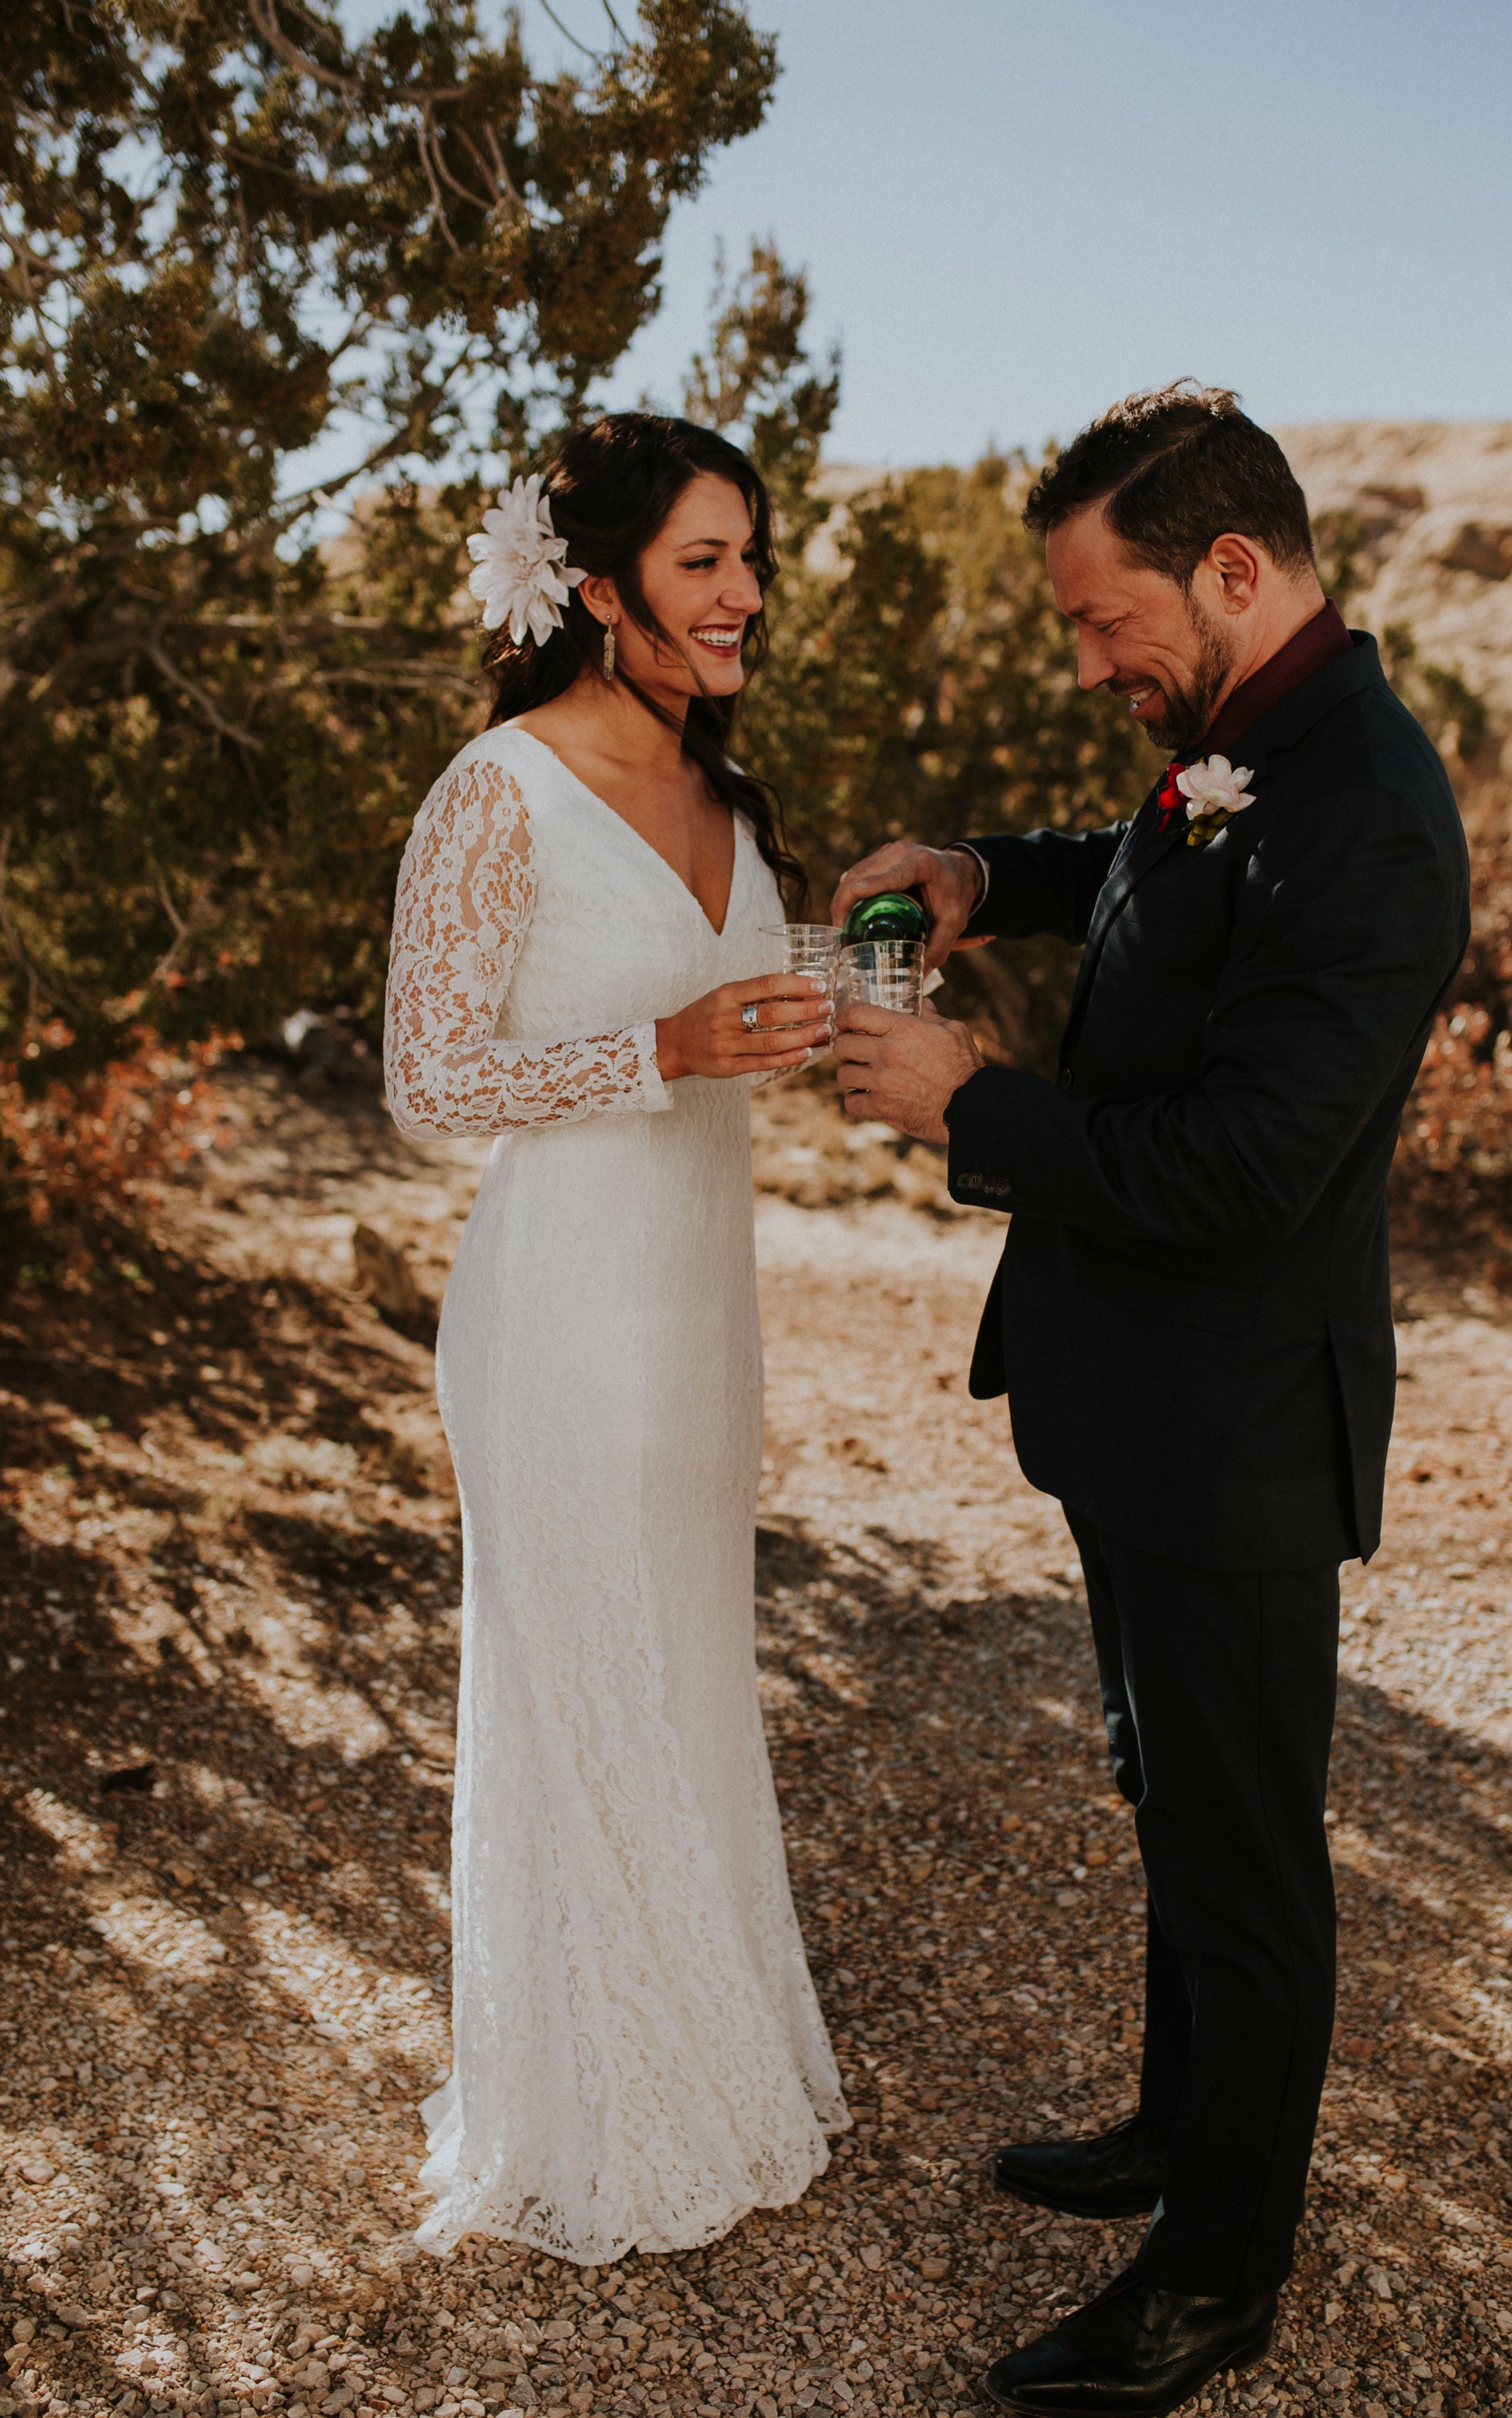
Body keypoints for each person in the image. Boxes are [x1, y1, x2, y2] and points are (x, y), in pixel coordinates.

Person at [829, 382, 1470, 2415]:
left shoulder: (1366, 806)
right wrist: (970, 872)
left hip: (1239, 1436)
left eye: (1104, 621)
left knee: (1251, 1870)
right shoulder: (1231, 745)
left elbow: (1236, 1168)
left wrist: (974, 1102)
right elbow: (1137, 879)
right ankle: (1174, 2133)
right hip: (1139, 1411)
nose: (1088, 660)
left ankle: (1215, 2289)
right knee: (1169, 1799)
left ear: (1230, 567)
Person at [383, 412, 847, 2265]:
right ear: (596, 589)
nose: (744, 595)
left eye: (751, 556)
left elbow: (732, 1021)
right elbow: (428, 1081)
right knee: (581, 1686)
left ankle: (711, 2059)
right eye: (703, 562)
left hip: (699, 1301)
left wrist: (826, 1013)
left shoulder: (729, 794)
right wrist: (658, 1054)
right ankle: (592, 2112)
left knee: (685, 1670)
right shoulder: (497, 790)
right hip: (561, 1309)